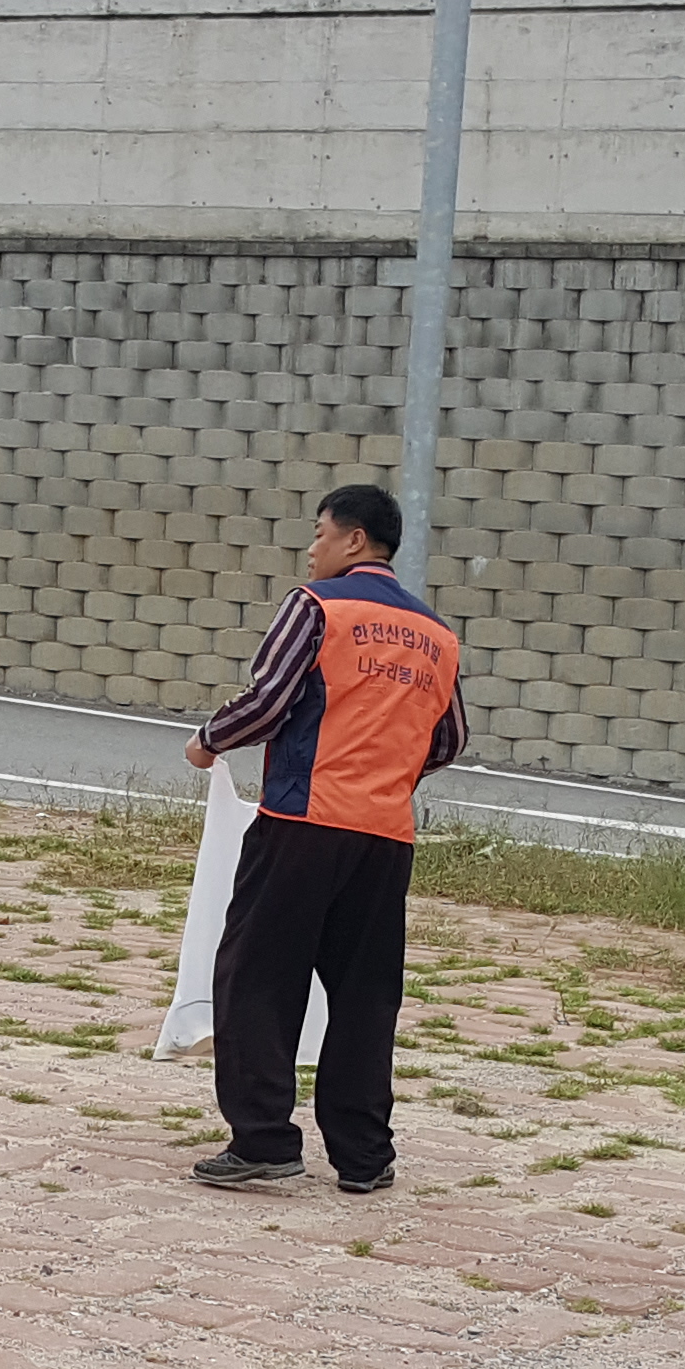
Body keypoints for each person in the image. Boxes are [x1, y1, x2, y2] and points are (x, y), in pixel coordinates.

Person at [183, 484, 464, 1196]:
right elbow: (449, 739)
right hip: (385, 838)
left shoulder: (317, 606)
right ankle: (365, 1156)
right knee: (366, 996)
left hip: (303, 823)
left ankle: (265, 1139)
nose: (312, 548)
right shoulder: (437, 635)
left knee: (255, 979)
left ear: (354, 540)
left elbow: (271, 698)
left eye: (319, 534)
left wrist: (209, 741)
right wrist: (387, 770)